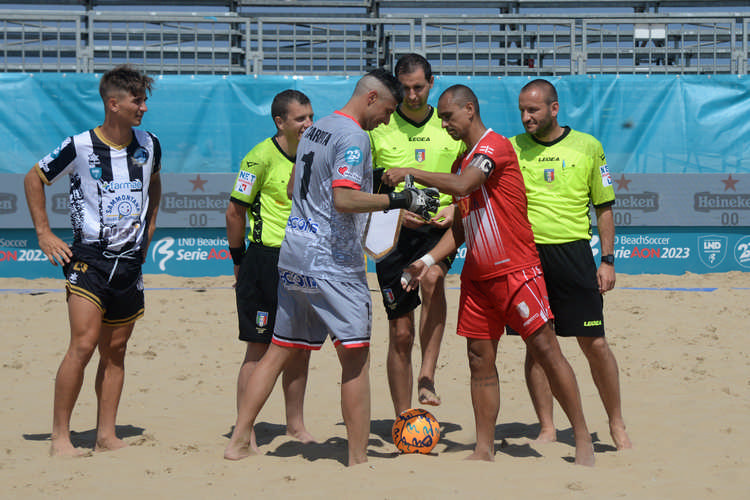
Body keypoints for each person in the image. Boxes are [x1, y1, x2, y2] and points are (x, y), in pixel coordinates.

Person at [224, 69, 440, 466]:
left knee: (278, 350)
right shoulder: (354, 136)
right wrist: (399, 201)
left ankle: (238, 440)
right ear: (371, 98)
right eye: (387, 110)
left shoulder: (316, 128)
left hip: (294, 253)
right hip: (332, 263)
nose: (387, 120)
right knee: (355, 358)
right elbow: (344, 199)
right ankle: (357, 460)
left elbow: (294, 187)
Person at [383, 84, 595, 466]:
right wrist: (427, 260)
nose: (443, 124)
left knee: (547, 351)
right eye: (441, 118)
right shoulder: (459, 162)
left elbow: (465, 185)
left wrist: (411, 171)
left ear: (469, 110)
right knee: (479, 358)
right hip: (478, 278)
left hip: (517, 271)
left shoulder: (494, 147)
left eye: (448, 116)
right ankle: (484, 448)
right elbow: (462, 226)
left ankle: (582, 438)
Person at [23, 64, 162, 457]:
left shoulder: (150, 143)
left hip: (129, 263)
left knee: (116, 351)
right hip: (89, 259)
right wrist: (43, 233)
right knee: (83, 345)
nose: (144, 107)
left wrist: (149, 230)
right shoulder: (80, 145)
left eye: (144, 100)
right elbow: (33, 178)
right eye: (137, 100)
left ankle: (106, 435)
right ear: (113, 104)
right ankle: (60, 438)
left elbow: (154, 184)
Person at [510, 79, 632, 450]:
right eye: (522, 110)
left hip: (574, 254)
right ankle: (547, 427)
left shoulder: (588, 146)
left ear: (554, 108)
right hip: (528, 256)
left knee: (594, 343)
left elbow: (604, 208)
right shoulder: (512, 148)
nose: (526, 117)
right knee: (537, 345)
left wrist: (607, 260)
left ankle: (616, 424)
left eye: (533, 110)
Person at [368, 53, 464, 413]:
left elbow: (470, 180)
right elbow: (365, 188)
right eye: (405, 88)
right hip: (393, 234)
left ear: (431, 83)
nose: (412, 95)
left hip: (438, 231)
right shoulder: (380, 126)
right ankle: (403, 417)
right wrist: (394, 212)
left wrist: (455, 208)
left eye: (419, 87)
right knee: (401, 332)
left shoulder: (449, 125)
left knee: (434, 278)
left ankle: (427, 375)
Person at [225, 90, 316, 451]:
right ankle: (245, 428)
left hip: (303, 259)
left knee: (300, 349)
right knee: (259, 347)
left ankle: (296, 424)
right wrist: (238, 259)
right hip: (265, 260)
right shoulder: (259, 157)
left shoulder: (314, 153)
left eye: (311, 116)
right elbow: (235, 212)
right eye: (300, 118)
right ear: (280, 122)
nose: (308, 123)